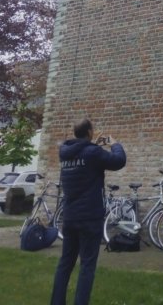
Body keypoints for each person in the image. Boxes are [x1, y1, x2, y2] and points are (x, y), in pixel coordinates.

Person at [50, 118, 126, 305]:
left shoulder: (65, 153)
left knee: (65, 263)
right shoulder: (93, 153)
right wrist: (115, 144)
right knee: (87, 266)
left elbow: (82, 154)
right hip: (89, 218)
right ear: (90, 132)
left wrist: (93, 145)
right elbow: (118, 161)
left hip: (69, 216)